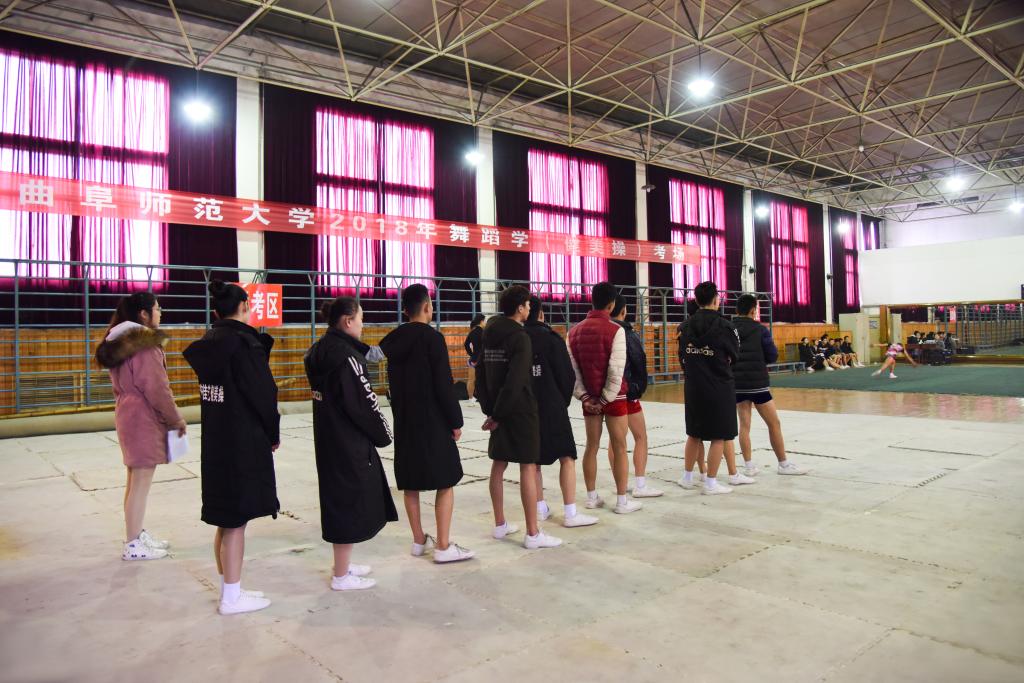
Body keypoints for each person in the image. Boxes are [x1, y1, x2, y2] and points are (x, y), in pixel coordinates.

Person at [183, 281, 280, 615]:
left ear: (215, 312)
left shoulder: (209, 345)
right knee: (236, 520)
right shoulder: (244, 346)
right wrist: (272, 432)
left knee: (225, 517)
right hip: (243, 441)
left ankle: (230, 586)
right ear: (245, 308)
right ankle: (231, 597)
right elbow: (265, 395)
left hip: (216, 440)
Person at [304, 297, 398, 591]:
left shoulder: (318, 350)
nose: (362, 324)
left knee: (339, 498)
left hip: (328, 437)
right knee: (348, 502)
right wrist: (384, 435)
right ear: (347, 321)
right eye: (360, 319)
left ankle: (342, 564)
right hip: (348, 440)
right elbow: (365, 403)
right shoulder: (347, 357)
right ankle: (341, 577)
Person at [379, 284, 473, 563]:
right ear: (427, 307)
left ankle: (419, 540)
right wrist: (455, 421)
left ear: (405, 310)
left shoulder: (392, 340)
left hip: (405, 421)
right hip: (433, 422)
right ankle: (443, 546)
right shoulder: (432, 339)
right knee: (446, 481)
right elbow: (443, 384)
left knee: (411, 483)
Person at [95, 292, 186, 562]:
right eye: (157, 308)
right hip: (143, 416)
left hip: (127, 412)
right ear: (143, 314)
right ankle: (133, 544)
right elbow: (157, 388)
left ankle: (135, 534)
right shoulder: (144, 344)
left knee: (134, 481)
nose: (161, 313)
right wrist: (175, 419)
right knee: (140, 483)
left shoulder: (118, 340)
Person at [476, 285, 562, 550]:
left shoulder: (489, 332)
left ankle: (500, 524)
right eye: (527, 304)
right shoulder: (520, 337)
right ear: (519, 308)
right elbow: (515, 380)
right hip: (519, 409)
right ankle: (533, 533)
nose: (529, 308)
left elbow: (481, 373)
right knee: (528, 465)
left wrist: (491, 410)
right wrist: (499, 413)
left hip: (497, 408)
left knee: (499, 464)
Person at [567, 282, 642, 514]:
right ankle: (621, 501)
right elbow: (616, 371)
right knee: (620, 447)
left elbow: (574, 372)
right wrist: (604, 399)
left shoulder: (573, 332)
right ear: (611, 305)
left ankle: (591, 498)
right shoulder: (615, 330)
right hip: (614, 398)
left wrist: (586, 397)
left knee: (591, 446)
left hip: (589, 398)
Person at [524, 297, 599, 529]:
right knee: (567, 457)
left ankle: (540, 508)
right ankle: (570, 513)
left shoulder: (516, 337)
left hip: (526, 408)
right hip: (552, 405)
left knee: (532, 461)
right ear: (541, 314)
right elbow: (567, 375)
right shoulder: (551, 339)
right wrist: (561, 401)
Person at [730, 294, 807, 478]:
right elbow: (772, 355)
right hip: (758, 384)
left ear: (737, 310)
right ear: (753, 310)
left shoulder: (729, 328)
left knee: (744, 426)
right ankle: (783, 464)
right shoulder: (760, 330)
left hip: (737, 384)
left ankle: (749, 466)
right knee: (774, 424)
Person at [676, 281, 739, 495]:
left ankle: (687, 477)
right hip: (719, 386)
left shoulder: (684, 327)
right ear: (716, 299)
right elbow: (734, 356)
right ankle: (711, 483)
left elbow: (682, 356)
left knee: (694, 433)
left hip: (694, 386)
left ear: (696, 300)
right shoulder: (726, 327)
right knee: (718, 436)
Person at [607, 294, 663, 498]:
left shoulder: (604, 331)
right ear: (624, 311)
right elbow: (639, 361)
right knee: (640, 437)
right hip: (626, 391)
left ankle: (619, 483)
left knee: (615, 440)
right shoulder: (628, 334)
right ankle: (640, 484)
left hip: (608, 392)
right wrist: (638, 388)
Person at [464, 313, 486, 400]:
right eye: (484, 321)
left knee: (471, 379)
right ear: (481, 321)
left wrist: (471, 354)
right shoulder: (484, 333)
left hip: (474, 359)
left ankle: (470, 398)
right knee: (483, 380)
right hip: (483, 359)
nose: (485, 323)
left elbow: (466, 344)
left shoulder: (472, 332)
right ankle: (483, 397)